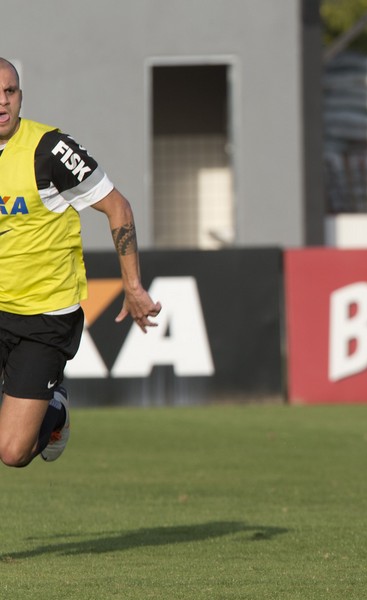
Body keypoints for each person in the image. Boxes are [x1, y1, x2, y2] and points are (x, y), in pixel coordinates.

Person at [0, 57, 161, 468]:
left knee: (13, 453)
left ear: (21, 97)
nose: (2, 102)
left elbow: (118, 208)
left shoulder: (50, 151)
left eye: (10, 92)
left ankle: (56, 409)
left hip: (44, 316)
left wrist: (133, 285)